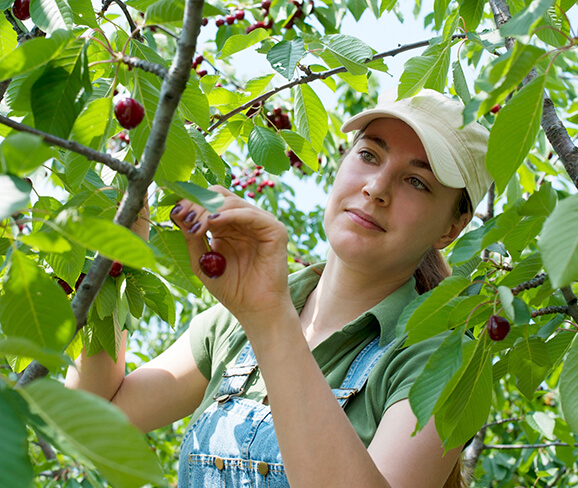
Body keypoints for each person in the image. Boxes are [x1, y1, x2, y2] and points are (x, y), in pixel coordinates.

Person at [65, 87, 492, 488]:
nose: (376, 188)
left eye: (417, 181)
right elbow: (88, 420)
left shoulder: (441, 361)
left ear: (452, 226)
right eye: (369, 155)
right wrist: (114, 256)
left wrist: (267, 316)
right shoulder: (233, 325)